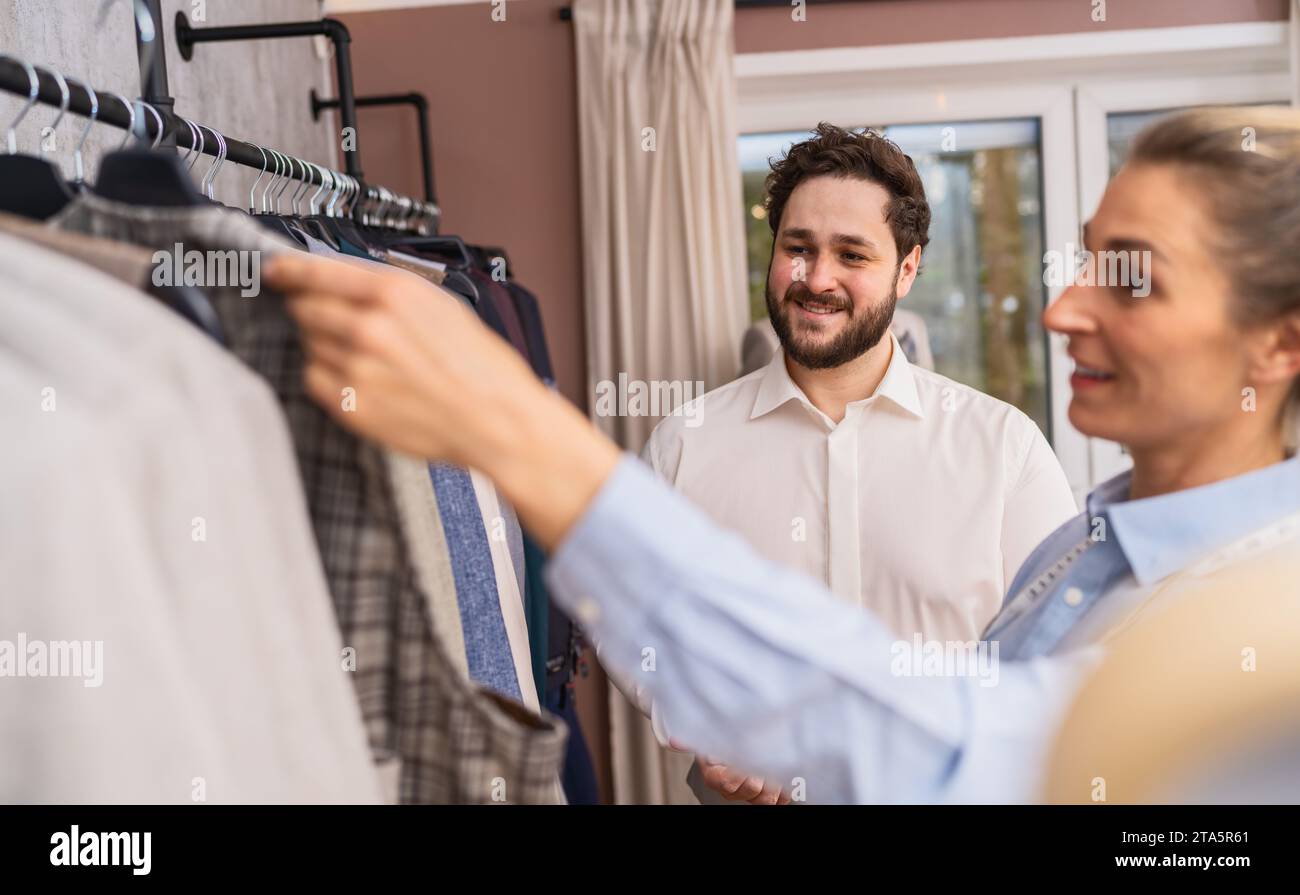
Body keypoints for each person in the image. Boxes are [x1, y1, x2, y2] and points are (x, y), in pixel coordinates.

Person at [265, 106, 1300, 803]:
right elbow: (941, 724)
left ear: (1281, 340)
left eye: (1132, 280)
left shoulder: (1261, 625)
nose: (1060, 306)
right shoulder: (1092, 542)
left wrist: (514, 429)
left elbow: (953, 745)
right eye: (1081, 259)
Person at [636, 124, 1075, 804]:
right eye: (798, 248)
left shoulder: (1005, 449)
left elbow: (1064, 658)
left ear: (907, 267)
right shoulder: (684, 444)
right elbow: (631, 622)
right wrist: (702, 720)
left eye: (852, 254)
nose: (816, 279)